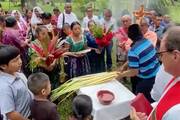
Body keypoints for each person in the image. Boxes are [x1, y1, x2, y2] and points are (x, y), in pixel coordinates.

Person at [131, 26, 180, 120]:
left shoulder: (176, 112)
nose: (160, 59)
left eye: (161, 54)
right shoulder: (175, 76)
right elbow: (163, 101)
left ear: (175, 56)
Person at [116, 24, 160, 103]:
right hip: (157, 74)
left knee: (141, 100)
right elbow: (137, 58)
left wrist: (121, 75)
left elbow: (134, 72)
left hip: (147, 79)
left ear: (130, 36)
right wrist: (124, 66)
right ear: (140, 33)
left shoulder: (133, 51)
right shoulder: (147, 41)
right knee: (152, 98)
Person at [0, 45, 32, 120]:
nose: (20, 62)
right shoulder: (4, 87)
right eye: (15, 60)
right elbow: (11, 114)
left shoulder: (18, 73)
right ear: (3, 66)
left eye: (19, 58)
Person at [29, 25, 61, 89]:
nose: (46, 35)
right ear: (37, 35)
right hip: (41, 70)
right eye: (43, 34)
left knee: (53, 86)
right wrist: (46, 67)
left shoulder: (51, 42)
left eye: (46, 33)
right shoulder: (33, 45)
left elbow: (56, 54)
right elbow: (34, 59)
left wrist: (53, 63)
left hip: (53, 68)